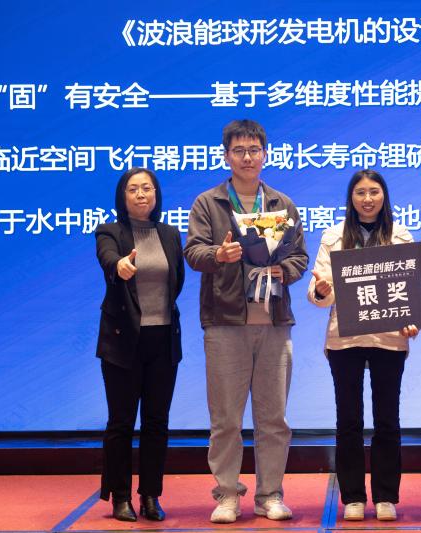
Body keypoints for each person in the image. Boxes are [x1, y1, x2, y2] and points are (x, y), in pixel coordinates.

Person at [184, 119, 308, 524]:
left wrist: (284, 271)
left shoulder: (282, 204)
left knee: (274, 419)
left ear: (265, 154)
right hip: (225, 323)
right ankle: (227, 494)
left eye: (254, 150)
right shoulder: (209, 203)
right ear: (226, 156)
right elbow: (193, 252)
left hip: (274, 323)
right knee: (226, 418)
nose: (247, 157)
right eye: (239, 151)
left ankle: (270, 494)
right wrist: (218, 255)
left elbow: (299, 256)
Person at [307, 170, 419, 522]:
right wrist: (321, 291)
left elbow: (412, 289)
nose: (367, 199)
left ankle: (386, 496)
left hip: (389, 338)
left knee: (387, 419)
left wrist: (412, 318)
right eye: (360, 193)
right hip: (345, 338)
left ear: (384, 196)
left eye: (374, 192)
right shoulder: (334, 236)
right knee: (349, 419)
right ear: (351, 198)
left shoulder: (400, 235)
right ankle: (353, 496)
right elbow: (317, 294)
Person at [94, 167, 185, 522]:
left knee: (156, 422)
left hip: (162, 338)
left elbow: (176, 282)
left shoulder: (170, 234)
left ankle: (150, 495)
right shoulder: (110, 231)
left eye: (147, 188)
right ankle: (120, 496)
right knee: (121, 421)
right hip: (123, 340)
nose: (141, 194)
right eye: (133, 189)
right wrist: (119, 265)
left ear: (156, 194)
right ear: (123, 196)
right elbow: (108, 259)